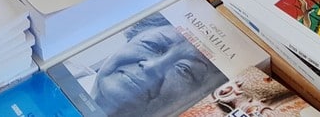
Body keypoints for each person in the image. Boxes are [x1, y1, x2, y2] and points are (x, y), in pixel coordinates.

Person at [63, 12, 227, 117]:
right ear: (131, 38)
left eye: (184, 70)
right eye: (153, 45)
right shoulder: (54, 70)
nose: (152, 67)